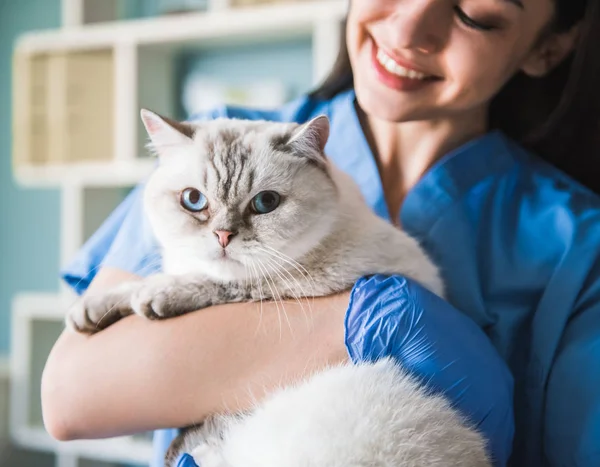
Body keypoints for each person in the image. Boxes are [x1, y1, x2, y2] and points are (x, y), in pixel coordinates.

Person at [39, 0, 600, 465]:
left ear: (547, 46)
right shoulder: (214, 144)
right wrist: (350, 324)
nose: (408, 30)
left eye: (474, 14)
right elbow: (69, 397)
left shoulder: (577, 243)